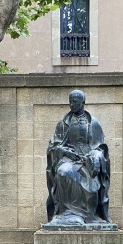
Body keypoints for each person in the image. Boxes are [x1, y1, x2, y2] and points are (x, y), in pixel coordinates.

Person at [45, 90, 111, 226]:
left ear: (83, 102)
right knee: (63, 172)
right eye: (70, 102)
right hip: (68, 159)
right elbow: (54, 147)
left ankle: (89, 215)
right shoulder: (63, 124)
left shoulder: (93, 123)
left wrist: (94, 157)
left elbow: (100, 147)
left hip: (88, 160)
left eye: (75, 102)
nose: (72, 105)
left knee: (91, 181)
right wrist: (66, 152)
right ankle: (67, 213)